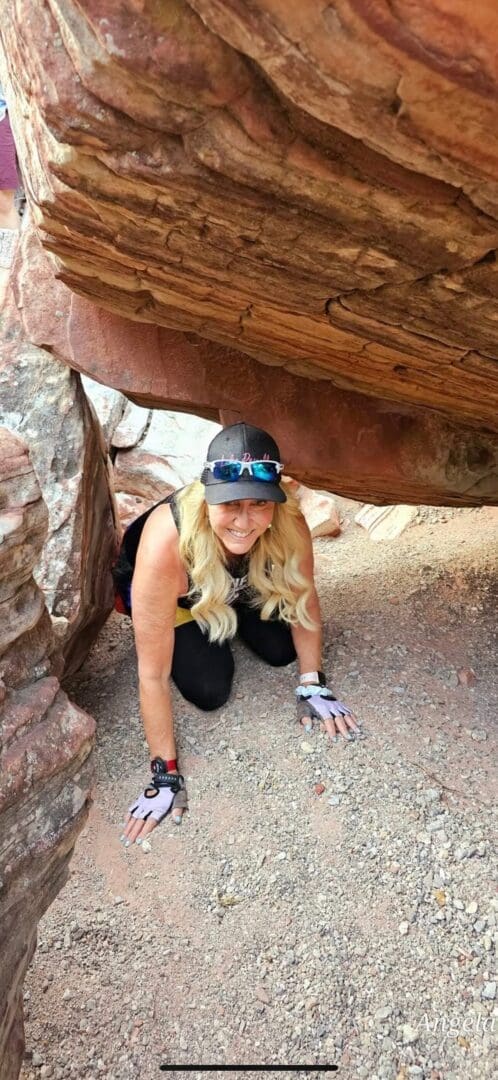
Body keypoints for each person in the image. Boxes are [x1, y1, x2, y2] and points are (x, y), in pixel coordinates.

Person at [115, 422, 360, 847]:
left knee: (284, 650)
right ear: (207, 495)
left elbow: (305, 601)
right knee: (210, 689)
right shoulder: (164, 545)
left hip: (236, 580)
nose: (245, 521)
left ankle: (234, 608)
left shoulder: (287, 522)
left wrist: (312, 683)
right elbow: (151, 673)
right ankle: (222, 613)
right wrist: (164, 772)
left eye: (258, 504)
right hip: (183, 600)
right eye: (230, 504)